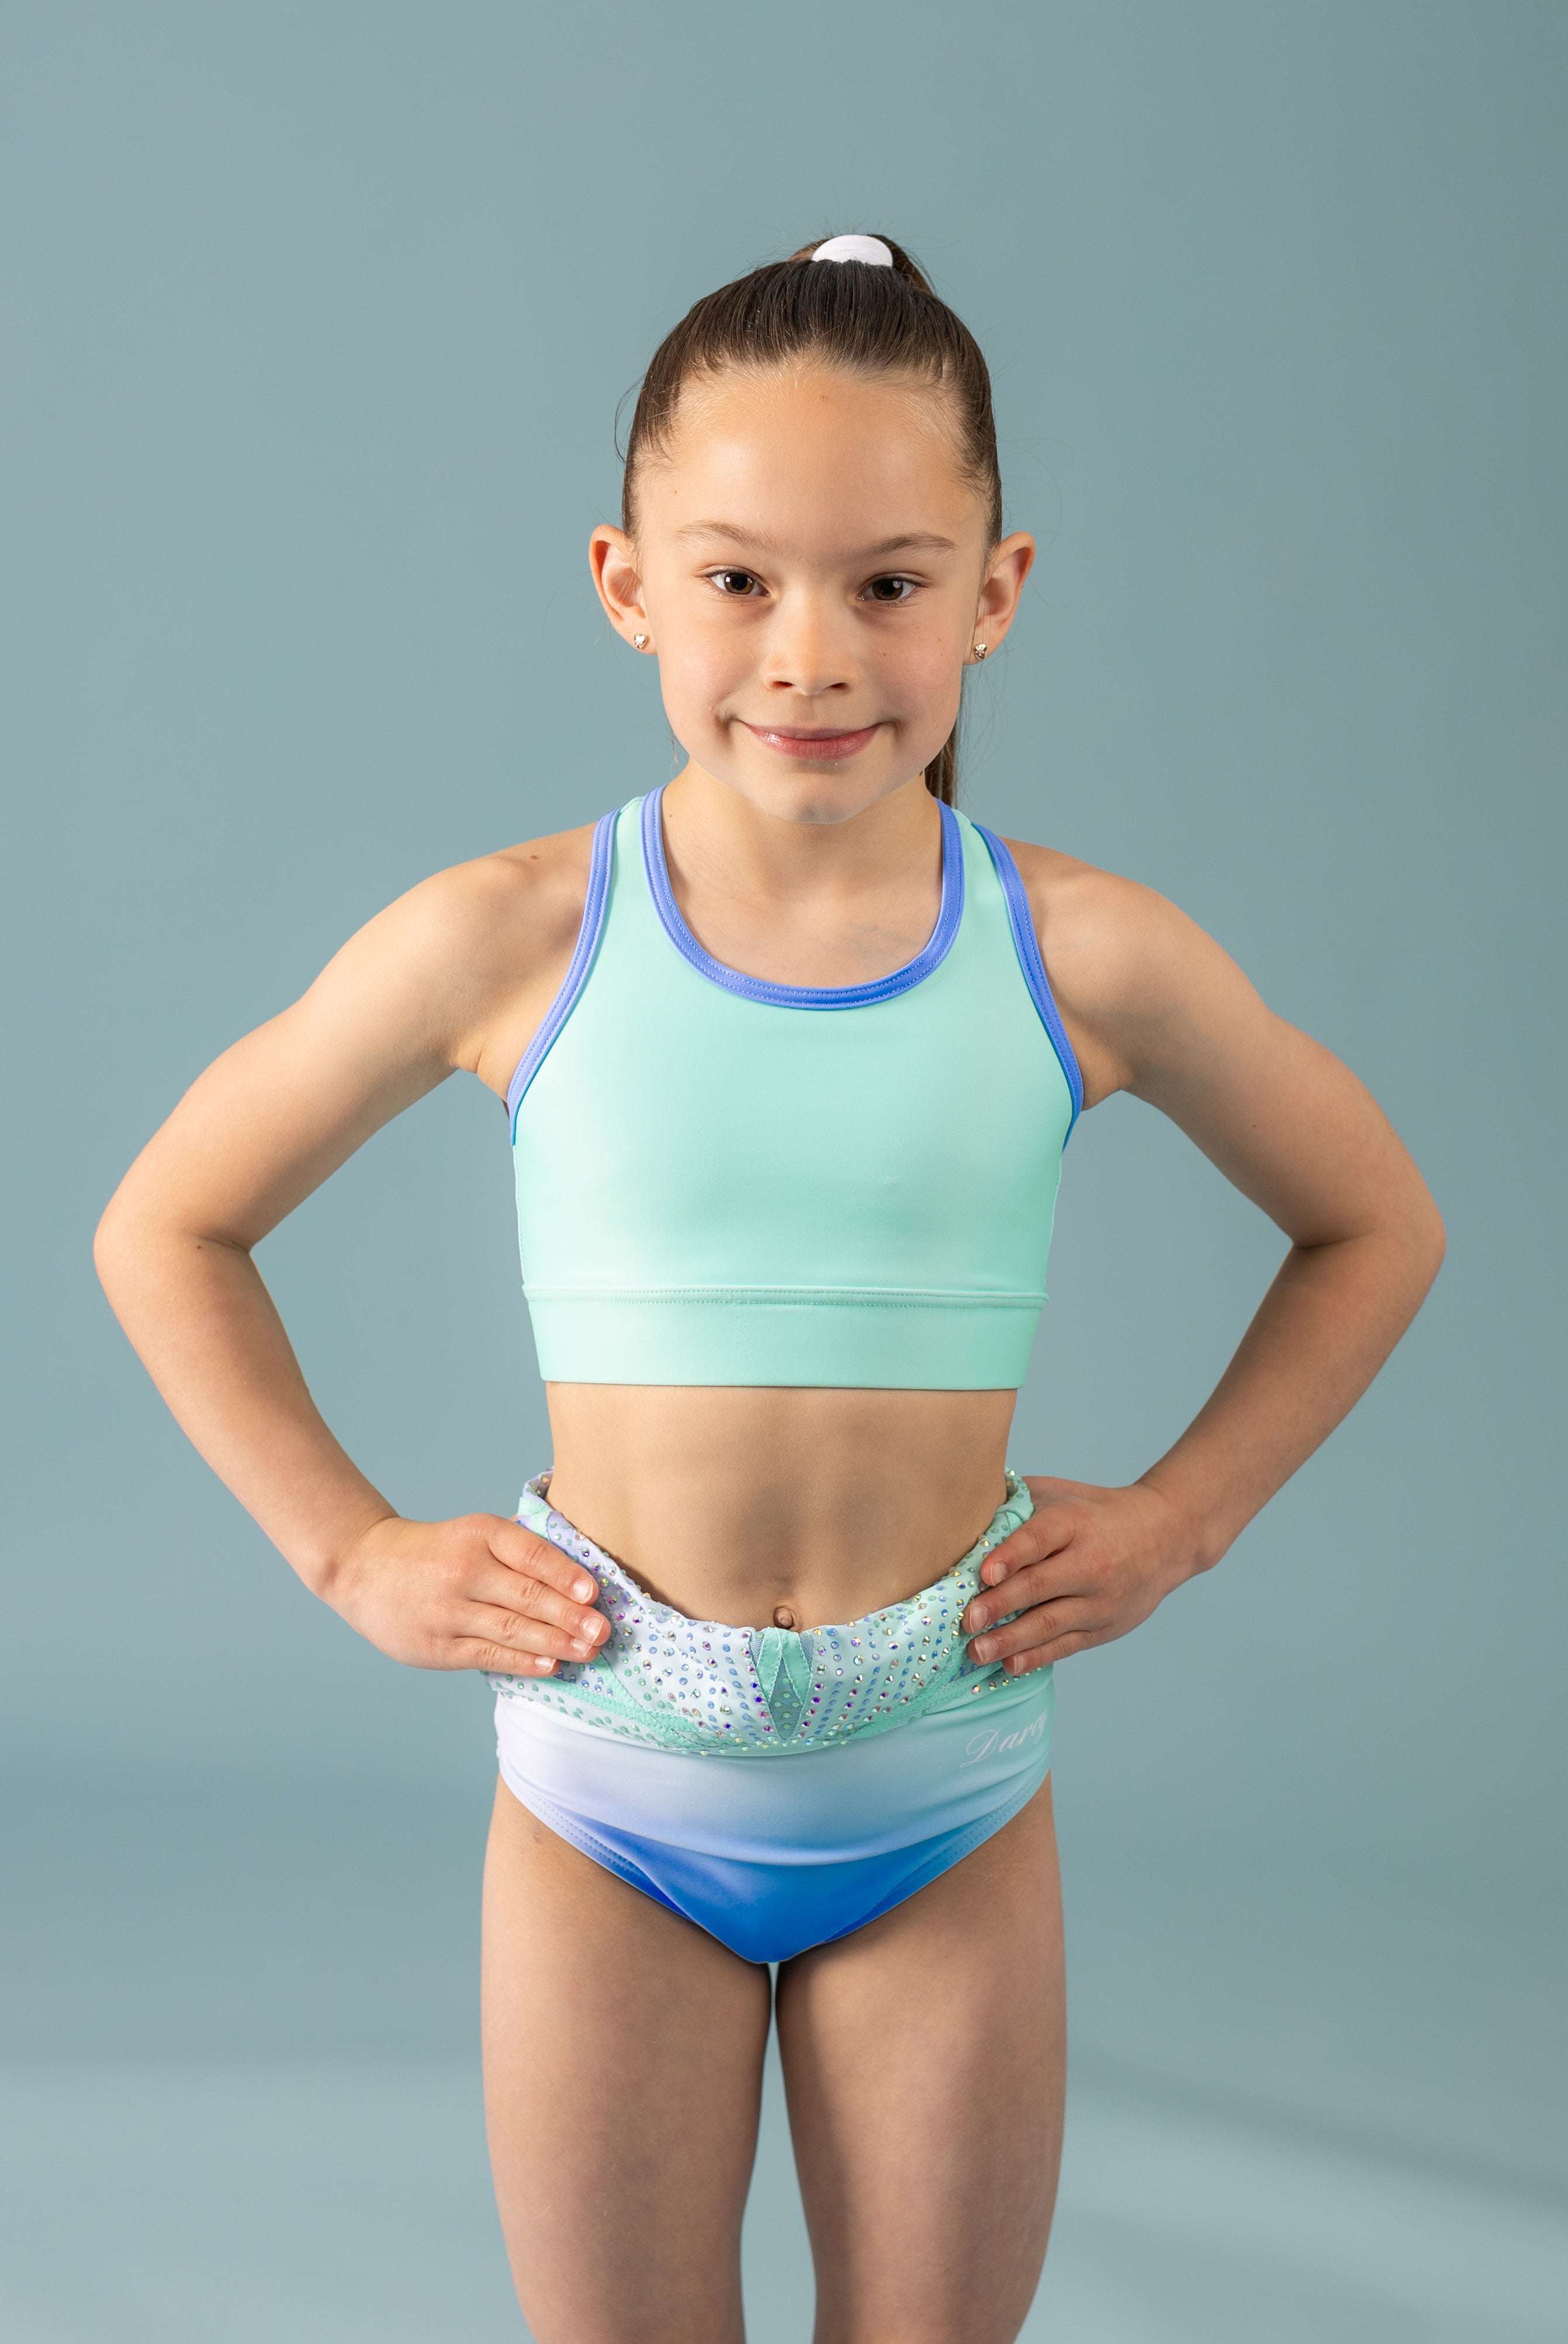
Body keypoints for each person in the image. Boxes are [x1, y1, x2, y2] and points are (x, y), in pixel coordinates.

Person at [95, 232, 1445, 2344]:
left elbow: (1375, 1221)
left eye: (888, 583)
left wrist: (1186, 1519)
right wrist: (347, 1548)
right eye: (736, 579)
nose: (810, 655)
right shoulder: (515, 937)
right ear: (626, 581)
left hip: (944, 1785)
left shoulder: (1082, 952)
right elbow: (166, 1222)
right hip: (611, 1787)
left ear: (994, 592)